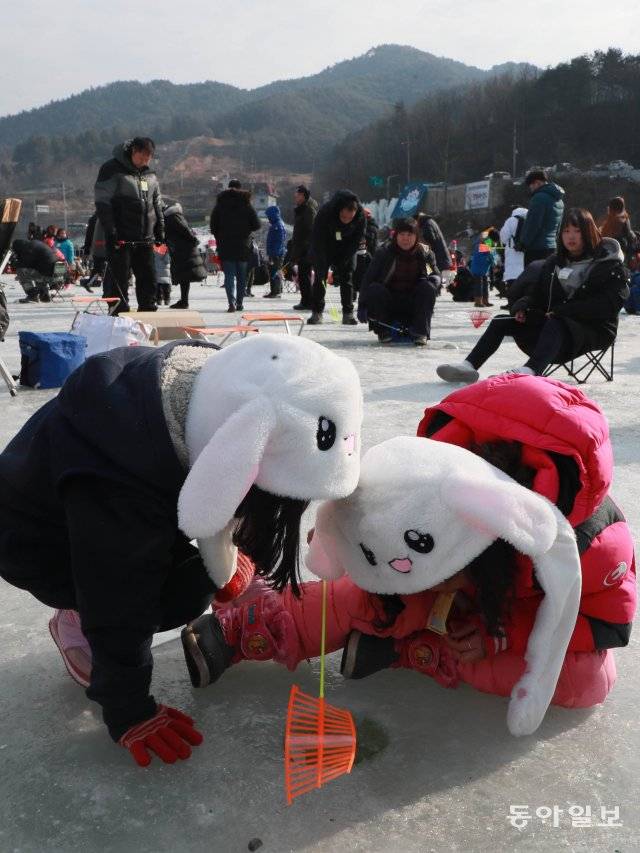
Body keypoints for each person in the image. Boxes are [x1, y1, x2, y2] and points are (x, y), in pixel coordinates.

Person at [182, 377, 634, 731]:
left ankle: (419, 650)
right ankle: (249, 629)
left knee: (588, 681)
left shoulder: (593, 546)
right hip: (456, 580)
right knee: (375, 590)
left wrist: (501, 634)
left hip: (516, 619)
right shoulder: (433, 476)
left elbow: (608, 624)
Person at [0, 334, 363, 767]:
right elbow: (119, 595)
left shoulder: (214, 383)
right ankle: (75, 617)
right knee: (184, 594)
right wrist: (128, 707)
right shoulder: (119, 494)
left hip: (111, 507)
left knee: (205, 570)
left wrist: (233, 554)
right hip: (40, 542)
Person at [436, 208, 629, 384]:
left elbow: (608, 305)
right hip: (555, 329)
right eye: (566, 231)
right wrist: (523, 305)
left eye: (577, 231)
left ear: (588, 232)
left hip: (593, 330)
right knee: (501, 321)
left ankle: (530, 370)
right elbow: (538, 293)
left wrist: (564, 311)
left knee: (557, 321)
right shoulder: (555, 262)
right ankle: (469, 366)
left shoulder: (609, 265)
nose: (571, 237)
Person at [94, 137, 164, 313]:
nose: (144, 162)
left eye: (148, 159)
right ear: (133, 151)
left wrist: (160, 227)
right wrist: (111, 229)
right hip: (121, 236)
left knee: (148, 277)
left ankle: (148, 311)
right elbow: (102, 202)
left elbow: (157, 202)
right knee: (119, 278)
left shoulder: (150, 174)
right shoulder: (112, 169)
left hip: (145, 238)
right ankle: (118, 312)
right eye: (141, 158)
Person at [357, 217, 440, 346]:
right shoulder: (384, 252)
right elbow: (368, 279)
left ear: (416, 236)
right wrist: (362, 305)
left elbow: (434, 274)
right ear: (396, 235)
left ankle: (420, 333)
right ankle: (383, 332)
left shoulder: (425, 253)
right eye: (402, 234)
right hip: (389, 303)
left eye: (410, 235)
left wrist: (434, 282)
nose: (405, 239)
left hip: (414, 304)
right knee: (375, 288)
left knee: (427, 286)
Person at [308, 189, 366, 325]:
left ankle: (348, 313)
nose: (346, 221)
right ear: (339, 210)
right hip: (325, 244)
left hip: (347, 245)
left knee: (347, 277)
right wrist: (321, 260)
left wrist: (345, 258)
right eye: (344, 217)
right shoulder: (326, 212)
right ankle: (317, 312)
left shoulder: (360, 216)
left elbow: (358, 239)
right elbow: (317, 238)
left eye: (350, 218)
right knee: (320, 278)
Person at [209, 179, 261, 313]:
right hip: (243, 245)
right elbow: (257, 225)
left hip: (225, 246)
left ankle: (231, 303)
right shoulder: (246, 204)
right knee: (242, 276)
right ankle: (240, 303)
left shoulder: (220, 205)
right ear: (240, 188)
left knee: (229, 276)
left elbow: (213, 226)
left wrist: (220, 236)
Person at [161, 200, 207, 309]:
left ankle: (184, 301)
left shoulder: (172, 216)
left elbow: (185, 230)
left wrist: (193, 240)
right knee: (183, 276)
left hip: (184, 250)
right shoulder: (170, 217)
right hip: (180, 250)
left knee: (184, 276)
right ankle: (183, 300)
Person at [518, 169, 565, 267]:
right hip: (552, 247)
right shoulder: (559, 200)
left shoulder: (539, 198)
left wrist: (523, 243)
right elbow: (559, 226)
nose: (530, 188)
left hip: (536, 249)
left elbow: (533, 224)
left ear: (537, 183)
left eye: (531, 185)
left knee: (533, 278)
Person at [287, 185, 317, 310]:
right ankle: (306, 300)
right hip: (302, 247)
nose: (295, 198)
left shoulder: (308, 210)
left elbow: (309, 231)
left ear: (304, 196)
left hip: (306, 249)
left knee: (305, 276)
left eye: (298, 195)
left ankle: (307, 301)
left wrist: (302, 247)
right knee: (303, 276)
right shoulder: (302, 209)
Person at [11, 237, 64, 303]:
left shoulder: (28, 248)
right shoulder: (36, 244)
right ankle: (44, 294)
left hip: (50, 278)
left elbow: (23, 265)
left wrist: (14, 263)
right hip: (58, 276)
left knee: (21, 272)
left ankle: (32, 295)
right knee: (37, 271)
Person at [499, 207, 527, 303]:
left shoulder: (511, 220)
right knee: (524, 284)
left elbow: (503, 237)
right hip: (525, 254)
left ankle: (512, 304)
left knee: (512, 283)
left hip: (512, 254)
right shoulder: (530, 219)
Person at [599, 196, 636, 265]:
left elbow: (603, 234)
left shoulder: (611, 219)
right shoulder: (624, 217)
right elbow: (628, 233)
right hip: (622, 248)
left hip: (611, 247)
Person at [353, 209, 378, 295]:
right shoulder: (361, 225)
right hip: (360, 253)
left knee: (363, 275)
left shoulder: (371, 226)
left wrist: (359, 235)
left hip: (368, 254)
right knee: (356, 273)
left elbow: (369, 239)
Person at [263, 205, 287, 299]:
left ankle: (276, 291)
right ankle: (275, 290)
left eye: (269, 215)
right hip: (273, 252)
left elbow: (279, 241)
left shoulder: (278, 225)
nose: (268, 218)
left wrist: (275, 253)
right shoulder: (276, 224)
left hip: (276, 253)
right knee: (274, 271)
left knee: (275, 272)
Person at [468, 231, 496, 307]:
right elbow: (491, 254)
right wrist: (493, 262)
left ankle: (485, 301)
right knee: (479, 285)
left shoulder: (487, 244)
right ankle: (478, 302)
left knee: (485, 284)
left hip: (483, 269)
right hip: (478, 269)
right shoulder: (480, 246)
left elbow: (492, 254)